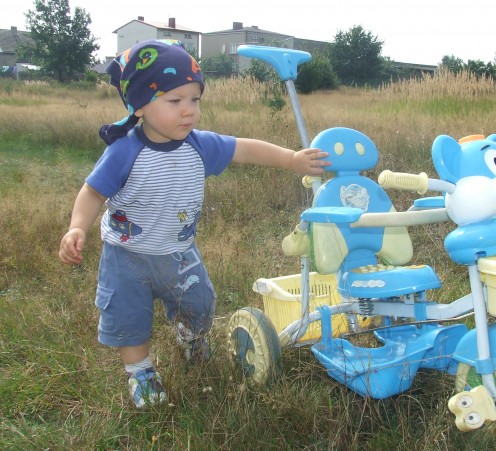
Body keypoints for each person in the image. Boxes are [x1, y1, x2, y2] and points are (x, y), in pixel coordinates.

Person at [58, 39, 329, 408]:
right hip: (126, 255)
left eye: (195, 100)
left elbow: (245, 148)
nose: (189, 111)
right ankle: (141, 373)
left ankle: (190, 338)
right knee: (128, 317)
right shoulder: (124, 151)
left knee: (201, 304)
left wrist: (291, 159)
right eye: (175, 101)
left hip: (179, 252)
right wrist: (78, 227)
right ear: (140, 105)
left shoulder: (199, 146)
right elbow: (92, 193)